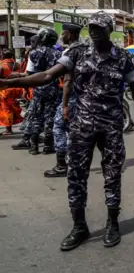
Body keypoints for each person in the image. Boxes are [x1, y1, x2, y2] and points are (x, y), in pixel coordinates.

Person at [0, 11, 134, 250]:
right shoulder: (76, 53)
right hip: (81, 126)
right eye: (91, 27)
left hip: (111, 127)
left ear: (109, 29)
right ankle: (79, 226)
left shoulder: (122, 58)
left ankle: (113, 223)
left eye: (99, 27)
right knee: (76, 175)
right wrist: (11, 82)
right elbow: (46, 76)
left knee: (112, 174)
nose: (93, 31)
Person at [11, 28, 62, 155]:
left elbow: (29, 73)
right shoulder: (58, 54)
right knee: (50, 117)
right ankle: (48, 146)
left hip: (37, 88)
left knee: (35, 116)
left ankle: (33, 147)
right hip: (53, 89)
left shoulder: (33, 53)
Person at [45, 23, 83, 178]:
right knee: (74, 130)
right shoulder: (87, 49)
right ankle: (77, 161)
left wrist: (65, 105)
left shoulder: (70, 52)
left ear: (70, 35)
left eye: (64, 34)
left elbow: (67, 81)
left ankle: (62, 165)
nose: (62, 36)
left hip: (72, 97)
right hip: (85, 99)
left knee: (59, 127)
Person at [0, 50, 23, 136]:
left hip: (5, 91)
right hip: (16, 89)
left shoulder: (2, 65)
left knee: (6, 109)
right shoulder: (17, 65)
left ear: (3, 56)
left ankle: (8, 129)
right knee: (13, 108)